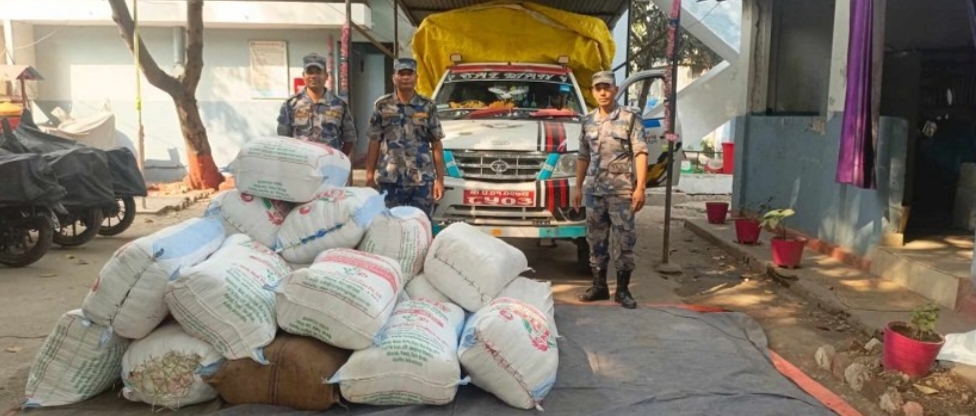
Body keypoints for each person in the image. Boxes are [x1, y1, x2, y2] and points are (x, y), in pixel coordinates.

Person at [572, 70, 649, 309]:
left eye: (607, 87)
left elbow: (640, 152)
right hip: (594, 191)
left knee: (624, 240)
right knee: (595, 240)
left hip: (621, 192)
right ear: (593, 92)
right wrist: (577, 187)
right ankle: (599, 286)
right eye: (598, 88)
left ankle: (623, 290)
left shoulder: (630, 118)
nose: (603, 92)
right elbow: (583, 156)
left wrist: (640, 187)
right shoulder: (587, 121)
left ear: (615, 89)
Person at [365, 57, 446, 217]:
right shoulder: (382, 105)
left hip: (421, 179)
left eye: (410, 74)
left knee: (421, 223)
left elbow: (436, 144)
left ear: (416, 77)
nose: (406, 78)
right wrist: (369, 176)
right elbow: (374, 141)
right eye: (401, 74)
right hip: (390, 179)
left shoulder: (428, 106)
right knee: (389, 223)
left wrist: (440, 180)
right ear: (393, 77)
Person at [276, 52, 358, 159]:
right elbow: (283, 139)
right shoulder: (290, 105)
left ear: (326, 76)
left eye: (318, 72)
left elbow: (350, 138)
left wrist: (339, 160)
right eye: (309, 72)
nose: (314, 76)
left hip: (329, 164)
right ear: (303, 76)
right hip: (301, 163)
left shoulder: (339, 105)